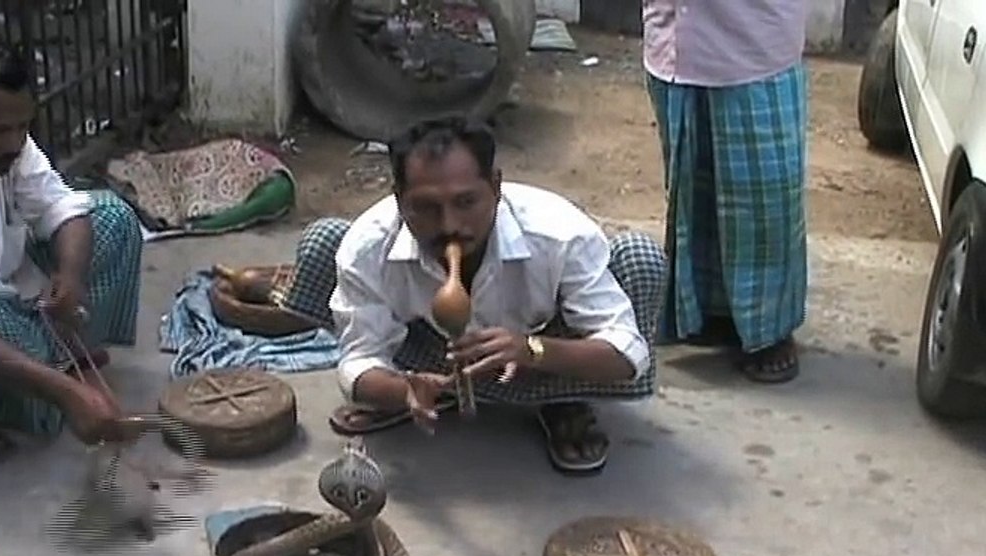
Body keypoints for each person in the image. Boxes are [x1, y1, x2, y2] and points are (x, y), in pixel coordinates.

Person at [276, 115, 668, 474]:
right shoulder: (369, 245)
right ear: (398, 199)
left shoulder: (559, 234)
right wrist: (401, 390)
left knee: (641, 258)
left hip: (537, 354)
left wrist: (533, 350)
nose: (449, 226)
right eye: (426, 208)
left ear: (496, 187)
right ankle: (425, 396)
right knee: (323, 242)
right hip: (429, 352)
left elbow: (628, 355)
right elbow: (358, 359)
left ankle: (561, 400)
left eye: (466, 202)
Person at [0, 34, 145, 466]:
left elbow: (59, 204)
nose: (14, 144)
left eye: (22, 128)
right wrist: (62, 390)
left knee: (112, 218)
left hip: (3, 299)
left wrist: (70, 277)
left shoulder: (6, 140)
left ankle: (50, 361)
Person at [642, 0, 809, 383]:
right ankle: (710, 312)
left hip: (756, 47)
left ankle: (771, 330)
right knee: (692, 196)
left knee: (766, 206)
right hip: (675, 45)